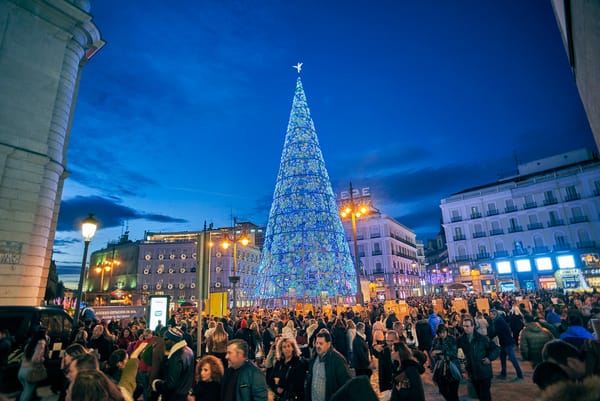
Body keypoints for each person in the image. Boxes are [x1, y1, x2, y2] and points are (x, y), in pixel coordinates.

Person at [457, 316, 499, 401]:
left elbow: (495, 349)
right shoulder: (461, 340)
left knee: (485, 395)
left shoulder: (482, 338)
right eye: (464, 326)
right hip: (472, 372)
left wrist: (489, 358)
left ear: (473, 326)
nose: (465, 328)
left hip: (484, 371)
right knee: (479, 395)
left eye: (467, 326)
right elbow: (457, 352)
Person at [306, 329, 351, 401]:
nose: (317, 346)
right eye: (316, 343)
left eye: (321, 343)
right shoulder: (314, 358)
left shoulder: (338, 360)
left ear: (328, 344)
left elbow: (346, 384)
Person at [152, 327, 194, 401]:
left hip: (174, 396)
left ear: (173, 341)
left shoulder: (176, 357)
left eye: (166, 339)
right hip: (184, 394)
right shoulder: (189, 351)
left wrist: (156, 384)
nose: (164, 342)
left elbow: (171, 384)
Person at [267, 336, 307, 401]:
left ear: (293, 348)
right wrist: (276, 388)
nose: (287, 349)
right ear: (281, 349)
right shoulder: (279, 362)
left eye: (289, 346)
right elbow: (271, 379)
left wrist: (280, 383)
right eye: (284, 347)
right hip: (279, 397)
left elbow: (298, 384)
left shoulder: (299, 363)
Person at [489, 309, 523, 381]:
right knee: (503, 358)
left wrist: (489, 336)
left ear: (495, 314)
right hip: (504, 343)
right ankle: (503, 373)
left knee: (512, 359)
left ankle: (520, 375)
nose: (491, 316)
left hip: (507, 343)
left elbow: (496, 332)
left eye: (492, 314)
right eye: (490, 314)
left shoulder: (499, 321)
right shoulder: (498, 320)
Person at [431, 324, 460, 401]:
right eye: (440, 333)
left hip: (452, 366)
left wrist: (441, 351)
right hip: (440, 368)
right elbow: (432, 351)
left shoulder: (452, 339)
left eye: (444, 332)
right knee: (443, 390)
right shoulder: (436, 340)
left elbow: (454, 352)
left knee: (453, 392)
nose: (442, 334)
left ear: (447, 331)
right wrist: (435, 354)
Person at [18, 330, 47, 401]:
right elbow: (35, 359)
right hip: (29, 372)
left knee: (26, 392)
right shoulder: (41, 343)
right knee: (26, 396)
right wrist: (42, 359)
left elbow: (23, 357)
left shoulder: (30, 343)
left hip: (21, 371)